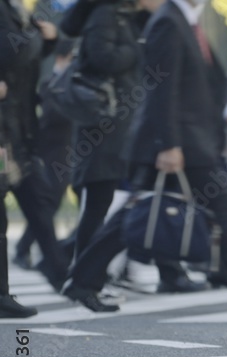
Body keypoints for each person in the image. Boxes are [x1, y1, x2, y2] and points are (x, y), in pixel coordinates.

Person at [62, 0, 227, 313]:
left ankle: (80, 281)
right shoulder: (168, 21)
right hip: (178, 141)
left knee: (132, 217)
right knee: (217, 209)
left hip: (190, 139)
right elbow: (161, 89)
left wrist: (225, 113)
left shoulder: (185, 20)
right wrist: (168, 144)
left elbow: (204, 82)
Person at [59, 0, 141, 265]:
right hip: (103, 123)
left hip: (112, 122)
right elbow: (102, 57)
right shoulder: (106, 14)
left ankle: (82, 272)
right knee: (97, 202)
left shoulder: (119, 15)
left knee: (101, 202)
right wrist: (135, 48)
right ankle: (81, 274)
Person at [0, 0, 72, 294]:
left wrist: (48, 41)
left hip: (18, 133)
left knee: (38, 200)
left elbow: (22, 58)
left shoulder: (15, 9)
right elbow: (11, 52)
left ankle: (62, 276)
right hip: (4, 137)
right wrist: (36, 37)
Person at [14, 38, 76, 271]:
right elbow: (50, 117)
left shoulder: (69, 83)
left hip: (66, 150)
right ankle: (26, 249)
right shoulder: (51, 84)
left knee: (48, 204)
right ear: (62, 57)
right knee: (45, 203)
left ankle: (26, 249)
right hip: (49, 152)